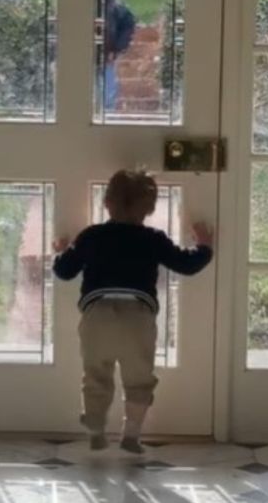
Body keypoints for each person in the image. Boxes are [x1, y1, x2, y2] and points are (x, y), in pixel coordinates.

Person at [52, 170, 213, 454]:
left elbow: (65, 272)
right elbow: (186, 265)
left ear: (107, 203)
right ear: (149, 209)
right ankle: (132, 434)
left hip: (97, 314)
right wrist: (203, 245)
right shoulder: (153, 238)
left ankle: (96, 428)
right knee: (139, 378)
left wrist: (62, 251)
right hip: (138, 317)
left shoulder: (92, 236)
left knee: (96, 374)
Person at [103, 0, 136, 111]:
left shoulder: (113, 6)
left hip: (106, 56)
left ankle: (107, 114)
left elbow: (128, 23)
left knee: (107, 95)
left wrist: (116, 49)